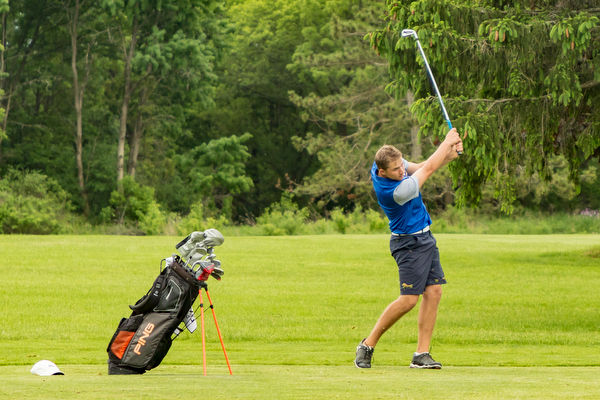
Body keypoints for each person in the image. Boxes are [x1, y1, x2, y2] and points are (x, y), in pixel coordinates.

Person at [354, 128, 463, 369]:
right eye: (396, 170)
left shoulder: (389, 164)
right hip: (408, 244)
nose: (402, 171)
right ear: (382, 172)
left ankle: (421, 355)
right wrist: (446, 142)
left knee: (434, 292)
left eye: (401, 165)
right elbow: (428, 170)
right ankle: (367, 345)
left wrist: (448, 153)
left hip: (425, 237)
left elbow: (422, 165)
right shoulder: (395, 191)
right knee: (409, 300)